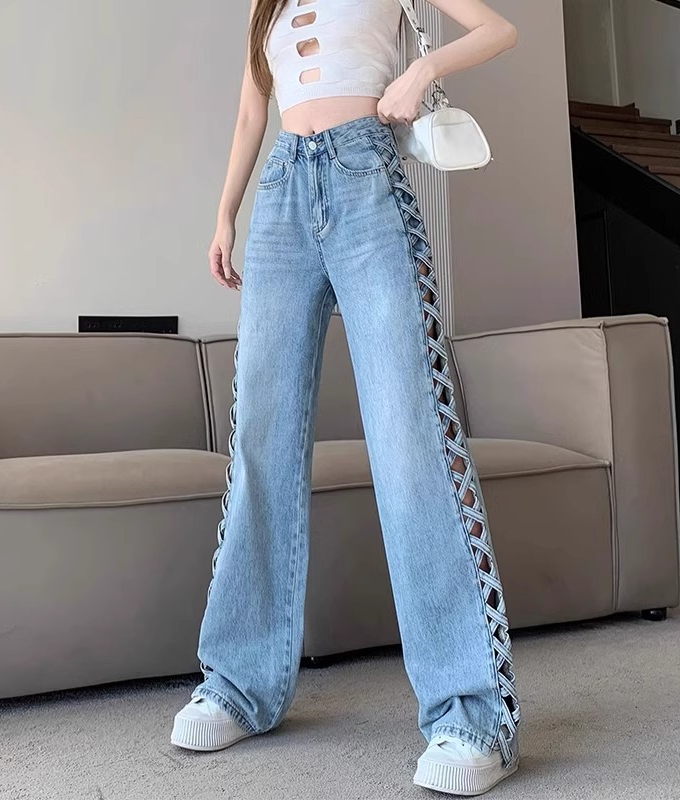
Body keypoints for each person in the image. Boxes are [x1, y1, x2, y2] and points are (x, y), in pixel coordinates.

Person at [171, 0, 520, 794]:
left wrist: (423, 69)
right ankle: (239, 684)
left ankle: (470, 716)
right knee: (260, 444)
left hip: (367, 180)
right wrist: (224, 216)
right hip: (280, 195)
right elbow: (252, 110)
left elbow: (498, 28)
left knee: (410, 443)